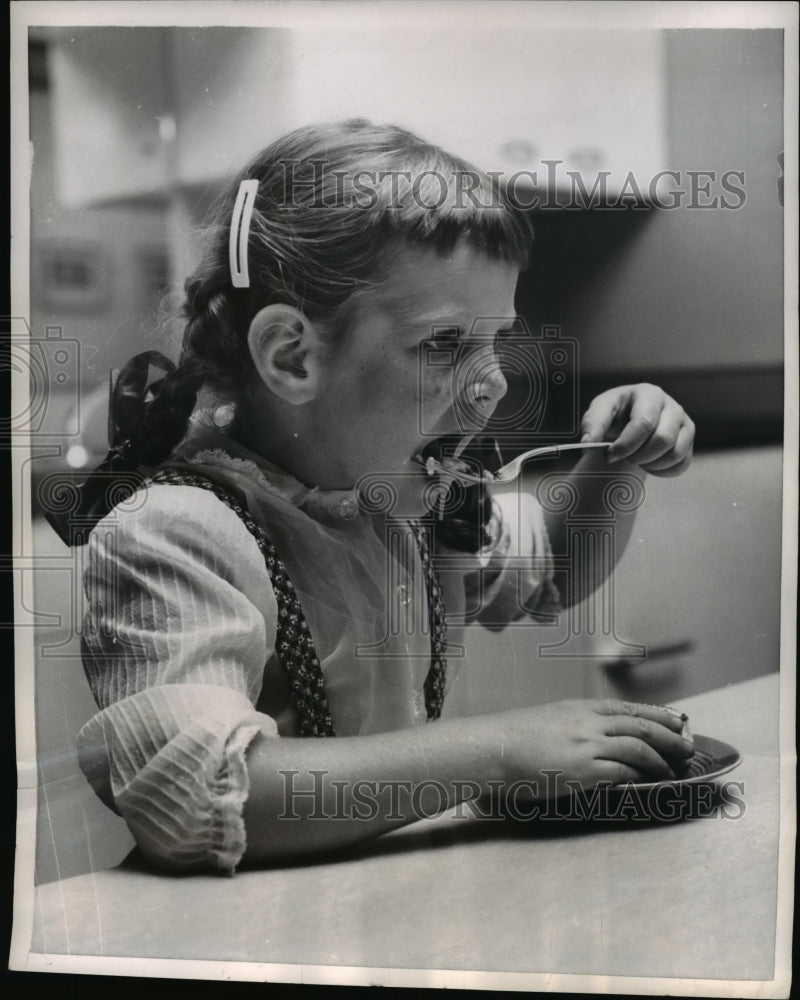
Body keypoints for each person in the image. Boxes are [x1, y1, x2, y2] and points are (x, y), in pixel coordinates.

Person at [71, 119, 696, 874]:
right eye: (445, 344)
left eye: (495, 341)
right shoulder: (177, 531)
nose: (494, 386)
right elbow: (202, 793)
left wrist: (616, 460)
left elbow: (555, 572)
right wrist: (497, 751)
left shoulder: (410, 498)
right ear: (291, 357)